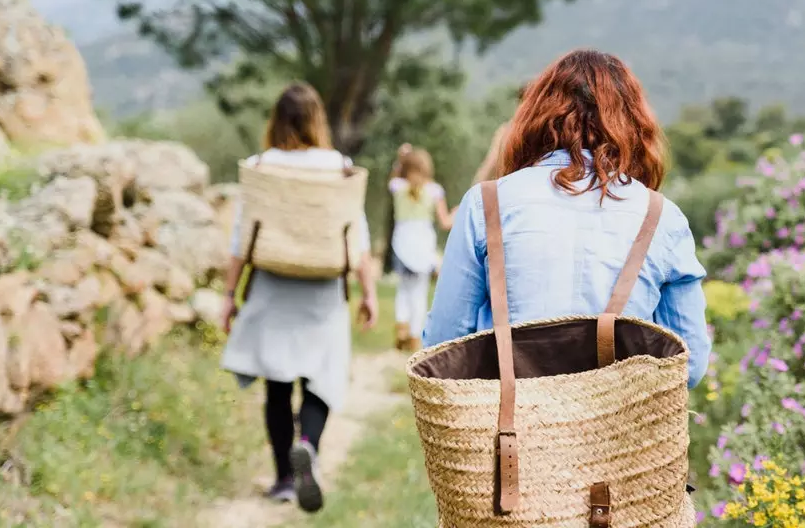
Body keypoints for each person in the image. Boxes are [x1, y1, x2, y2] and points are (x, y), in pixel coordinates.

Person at [423, 49, 712, 390]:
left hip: (507, 431)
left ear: (535, 118)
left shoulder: (485, 204)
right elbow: (689, 366)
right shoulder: (662, 217)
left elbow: (443, 346)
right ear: (633, 123)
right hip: (621, 433)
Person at [220, 82, 379, 513]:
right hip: (324, 290)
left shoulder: (260, 167)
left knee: (277, 383)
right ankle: (307, 444)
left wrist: (229, 295)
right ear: (316, 120)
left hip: (273, 284)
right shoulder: (340, 168)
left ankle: (284, 480)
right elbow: (357, 238)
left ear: (277, 119)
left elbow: (240, 240)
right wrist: (368, 292)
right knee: (320, 376)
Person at [388, 145, 455, 352]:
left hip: (401, 244)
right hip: (422, 246)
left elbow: (394, 176)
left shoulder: (398, 187)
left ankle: (401, 326)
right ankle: (415, 336)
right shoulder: (434, 191)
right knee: (419, 293)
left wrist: (401, 159)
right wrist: (456, 213)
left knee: (403, 289)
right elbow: (445, 222)